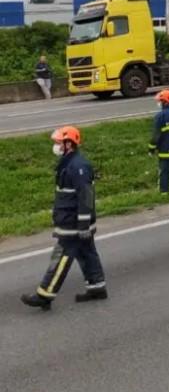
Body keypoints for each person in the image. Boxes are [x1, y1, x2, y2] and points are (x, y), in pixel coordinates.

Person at [21, 126, 107, 310]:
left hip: (74, 223)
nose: (56, 146)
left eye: (59, 142)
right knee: (87, 253)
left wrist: (83, 224)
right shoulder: (69, 163)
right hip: (73, 220)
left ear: (70, 144)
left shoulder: (78, 166)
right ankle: (97, 287)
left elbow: (85, 196)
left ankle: (45, 294)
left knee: (62, 256)